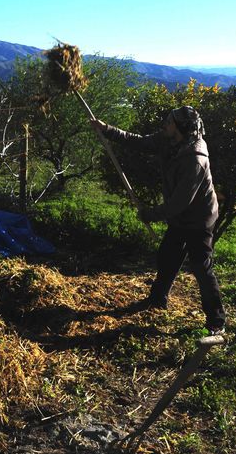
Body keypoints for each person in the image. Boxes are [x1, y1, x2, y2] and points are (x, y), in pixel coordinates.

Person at [91, 106, 226, 335]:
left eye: (170, 121)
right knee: (167, 257)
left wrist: (150, 214)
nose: (166, 123)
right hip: (180, 218)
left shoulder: (195, 159)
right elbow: (139, 141)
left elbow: (179, 203)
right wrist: (107, 130)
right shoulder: (167, 140)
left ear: (180, 127)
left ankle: (216, 320)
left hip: (198, 219)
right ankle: (157, 299)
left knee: (200, 266)